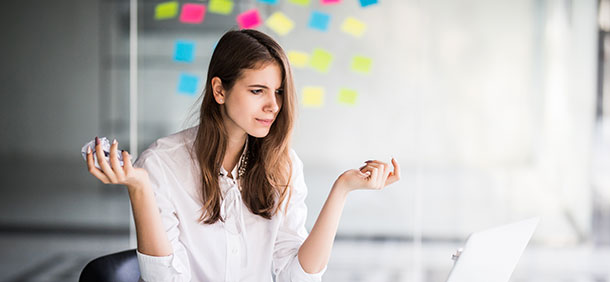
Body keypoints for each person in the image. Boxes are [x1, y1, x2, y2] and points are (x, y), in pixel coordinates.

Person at [85, 29, 400, 282]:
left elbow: (298, 276)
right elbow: (162, 279)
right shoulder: (162, 164)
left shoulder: (284, 165)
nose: (273, 106)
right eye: (257, 91)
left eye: (277, 92)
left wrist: (342, 189)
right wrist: (139, 188)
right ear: (219, 90)